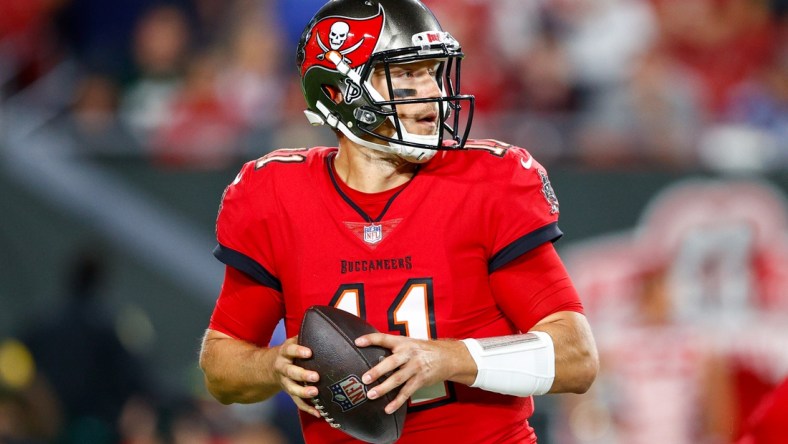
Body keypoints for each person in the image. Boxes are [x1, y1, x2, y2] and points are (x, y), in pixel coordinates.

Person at [199, 1, 599, 443]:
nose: (432, 90)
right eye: (406, 74)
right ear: (338, 93)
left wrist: (447, 358)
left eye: (432, 70)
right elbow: (221, 368)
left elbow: (577, 358)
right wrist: (273, 367)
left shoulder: (487, 184)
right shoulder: (276, 196)